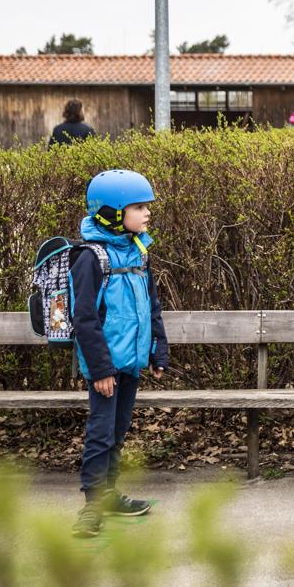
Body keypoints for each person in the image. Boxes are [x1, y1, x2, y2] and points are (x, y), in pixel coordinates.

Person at [71, 169, 169, 538]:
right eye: (139, 207)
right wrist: (100, 370)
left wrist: (158, 351)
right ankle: (92, 505)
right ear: (112, 212)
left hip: (131, 361)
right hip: (106, 367)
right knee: (100, 432)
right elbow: (84, 319)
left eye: (147, 207)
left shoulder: (139, 250)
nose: (147, 213)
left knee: (119, 429)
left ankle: (110, 494)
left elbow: (151, 307)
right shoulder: (90, 257)